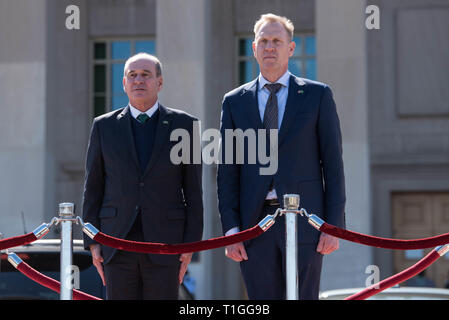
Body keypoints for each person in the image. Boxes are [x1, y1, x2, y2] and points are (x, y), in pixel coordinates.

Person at [217, 13, 346, 300]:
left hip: (306, 221)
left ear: (291, 48)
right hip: (254, 224)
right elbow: (228, 171)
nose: (270, 47)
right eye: (263, 41)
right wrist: (231, 230)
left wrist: (333, 225)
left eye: (277, 41)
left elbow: (333, 165)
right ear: (254, 48)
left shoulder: (317, 95)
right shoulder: (234, 101)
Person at [82, 53, 203, 300]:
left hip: (166, 244)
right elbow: (93, 187)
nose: (138, 80)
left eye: (146, 75)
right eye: (132, 75)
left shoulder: (186, 126)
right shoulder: (103, 126)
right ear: (124, 84)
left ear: (159, 82)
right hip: (115, 243)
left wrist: (191, 246)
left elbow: (193, 191)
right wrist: (92, 240)